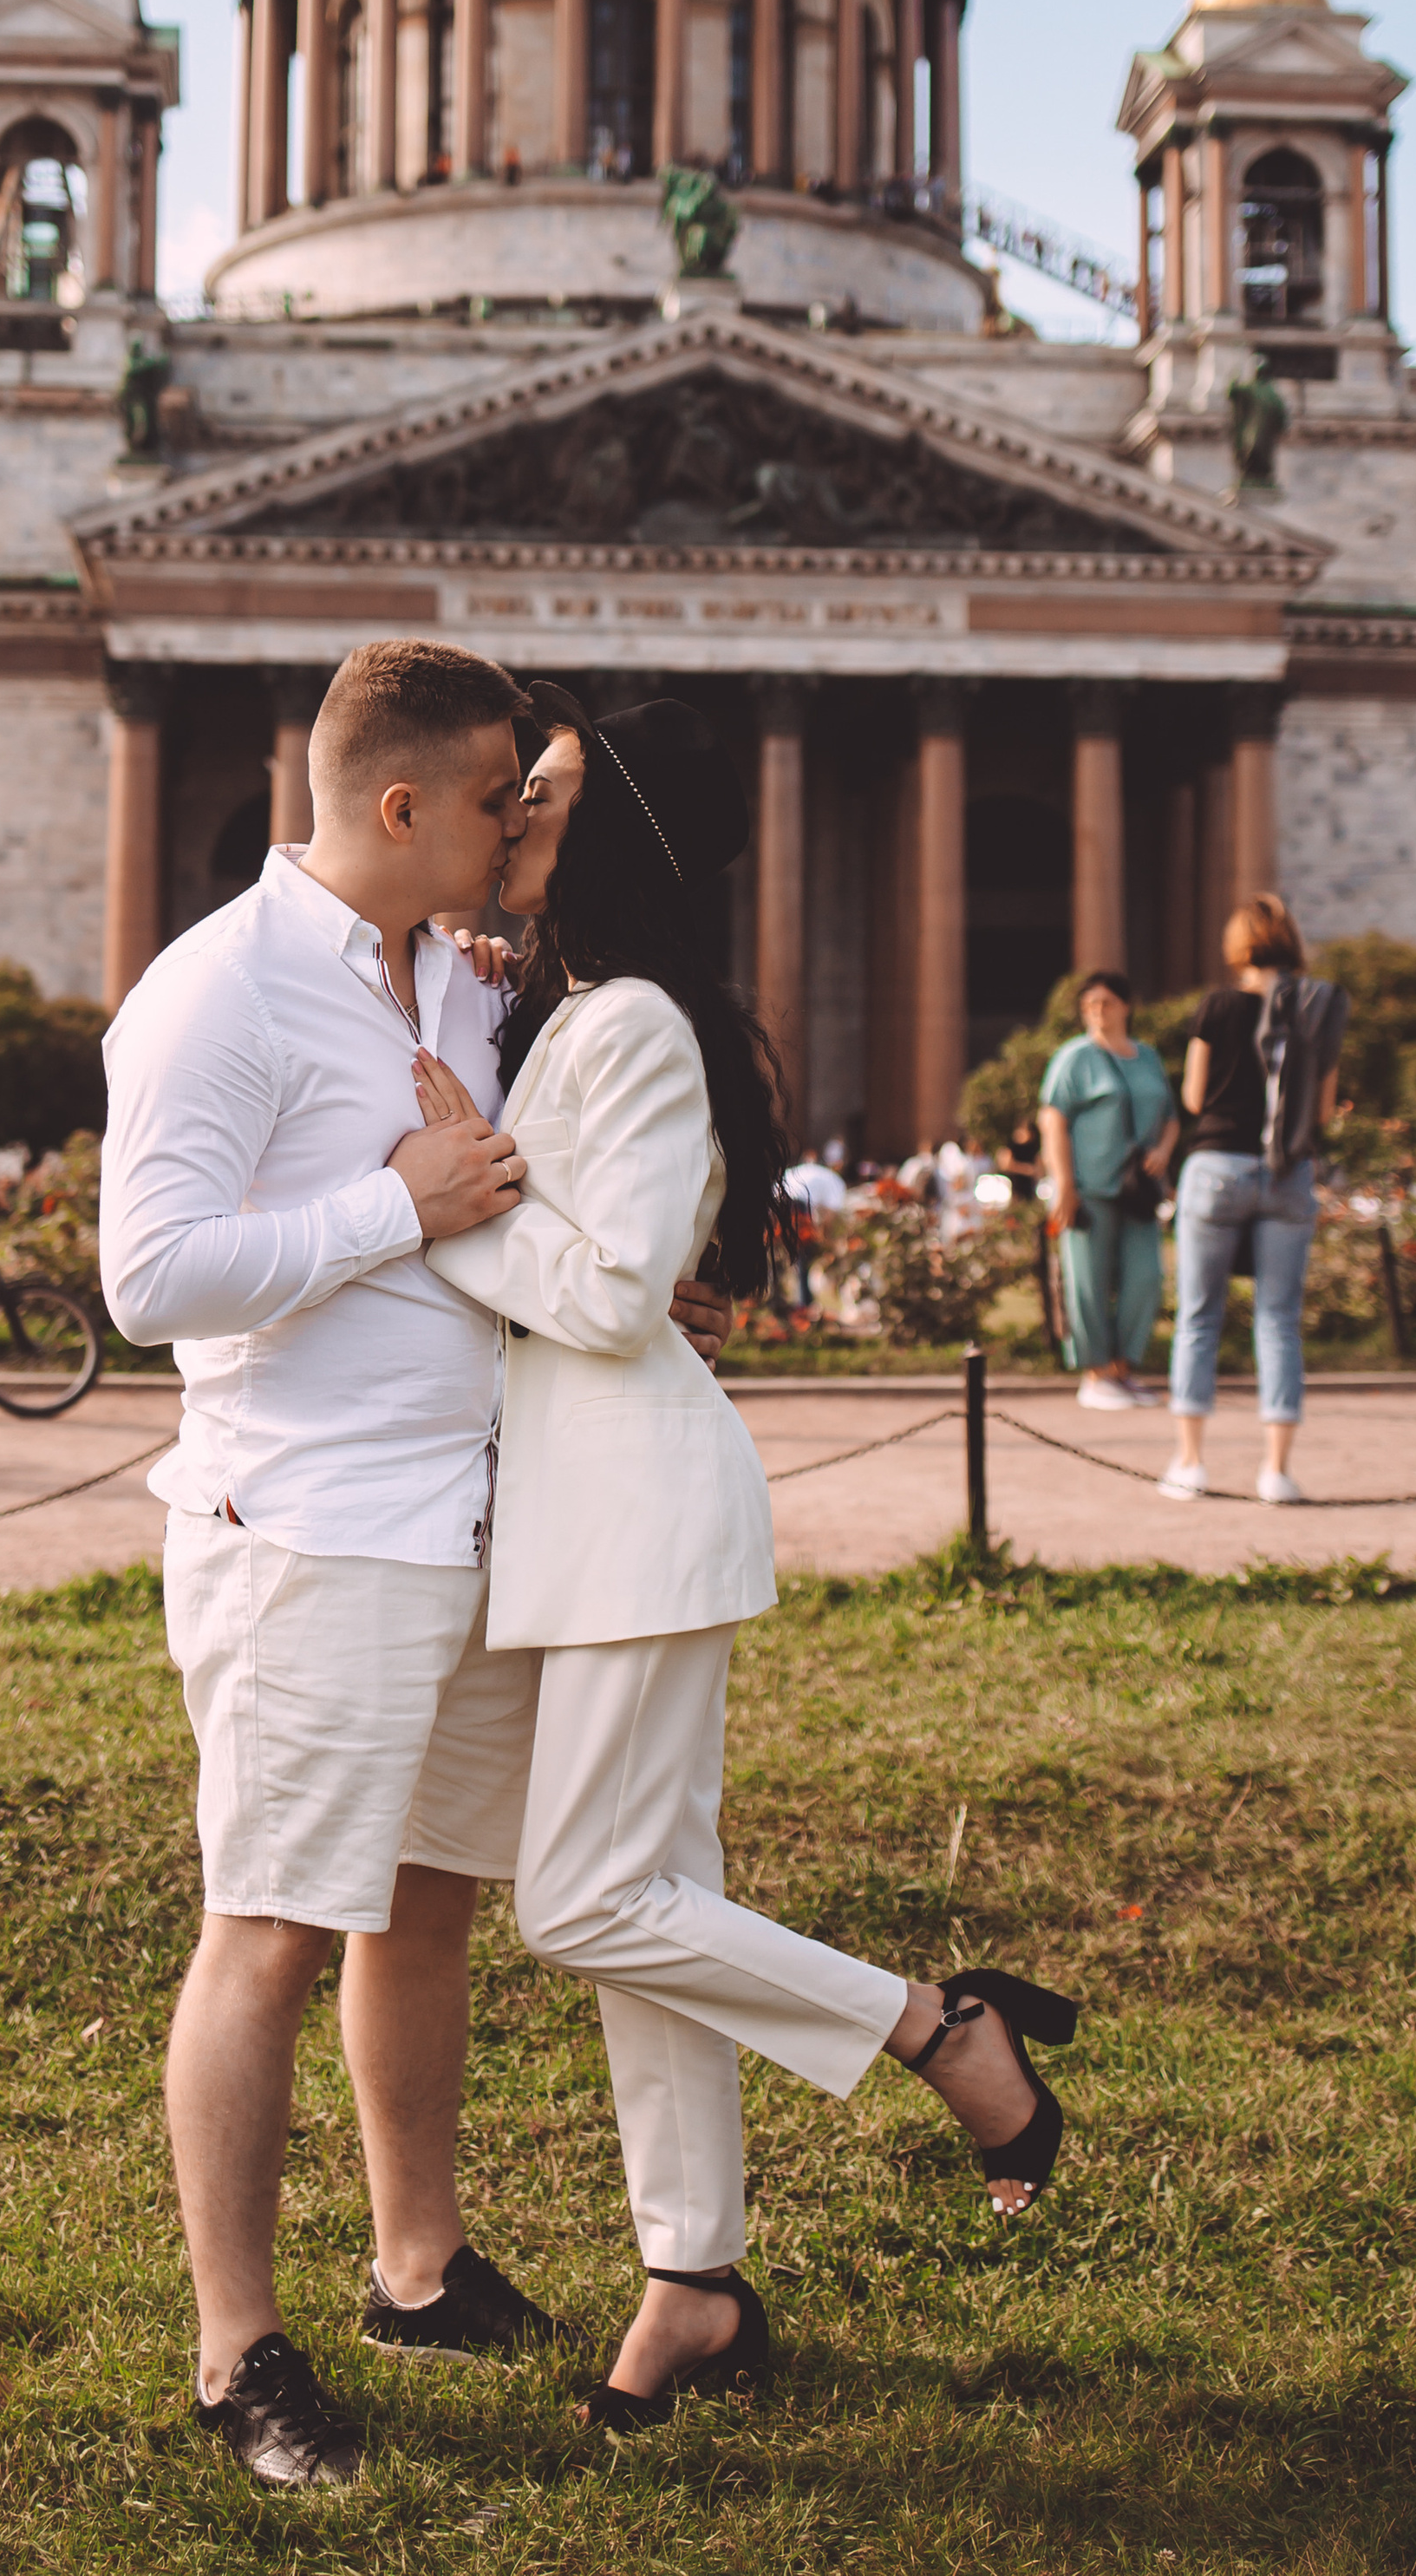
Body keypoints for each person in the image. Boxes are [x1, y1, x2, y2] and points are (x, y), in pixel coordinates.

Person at [97, 639, 730, 2494]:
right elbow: (148, 1282)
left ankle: (417, 2266)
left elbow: (517, 1201)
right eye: (497, 800)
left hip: (471, 1516)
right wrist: (405, 1205)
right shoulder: (211, 995)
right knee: (271, 1931)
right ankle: (237, 2355)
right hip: (308, 1531)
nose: (523, 826)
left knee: (428, 1908)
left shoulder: (454, 982)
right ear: (402, 808)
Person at [421, 687, 1079, 2432]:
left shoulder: (629, 1022)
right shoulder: (572, 1014)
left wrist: (444, 1217)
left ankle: (945, 2035)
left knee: (586, 1907)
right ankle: (690, 2282)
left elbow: (612, 1292)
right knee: (655, 1912)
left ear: (607, 828)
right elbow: (612, 1266)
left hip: (633, 1509)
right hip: (586, 1516)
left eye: (538, 791)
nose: (509, 808)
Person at [1162, 894, 1348, 1507]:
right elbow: (1322, 1111)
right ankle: (1277, 1471)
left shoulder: (1216, 1006)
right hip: (1288, 1172)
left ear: (1237, 946)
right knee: (1278, 1323)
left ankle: (1191, 1463)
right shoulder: (1319, 1007)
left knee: (1199, 1317)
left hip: (1217, 1167)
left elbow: (1193, 1097)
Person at [1037, 973, 1178, 1411]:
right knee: (1087, 1281)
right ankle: (1094, 1373)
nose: (1098, 1011)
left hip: (1137, 1187)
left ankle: (1124, 1368)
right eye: (1089, 1004)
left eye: (1106, 1002)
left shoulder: (1148, 1057)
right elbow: (1052, 1118)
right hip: (1088, 1186)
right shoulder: (1074, 1057)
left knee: (1146, 1278)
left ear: (1126, 1006)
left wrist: (1164, 1150)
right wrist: (1064, 1183)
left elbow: (1171, 1115)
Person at [780, 1145, 846, 1305]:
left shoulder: (812, 1173)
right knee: (803, 1253)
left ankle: (791, 1300)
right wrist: (825, 1241)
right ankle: (804, 1301)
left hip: (779, 1199)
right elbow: (829, 1218)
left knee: (786, 1256)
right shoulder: (836, 1184)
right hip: (795, 1203)